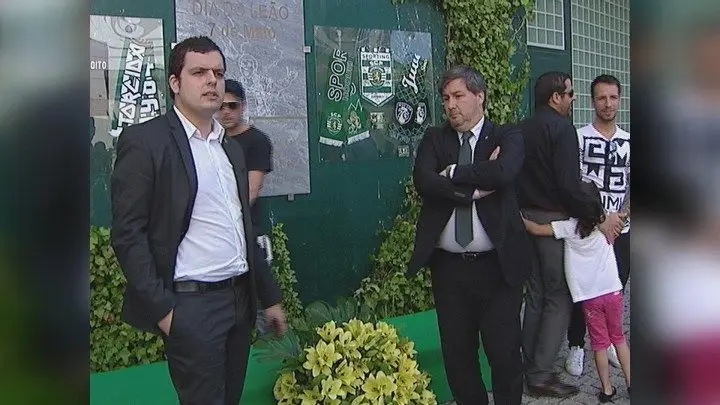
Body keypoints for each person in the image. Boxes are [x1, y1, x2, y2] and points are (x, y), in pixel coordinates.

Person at [110, 36, 286, 405]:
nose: (211, 81)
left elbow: (242, 228)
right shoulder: (146, 142)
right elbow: (128, 234)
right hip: (191, 307)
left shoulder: (230, 147)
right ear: (175, 83)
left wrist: (268, 297)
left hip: (239, 301)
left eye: (218, 73)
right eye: (199, 72)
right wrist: (165, 312)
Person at [407, 64, 531, 405]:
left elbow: (503, 172)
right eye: (446, 98)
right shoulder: (435, 139)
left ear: (480, 96)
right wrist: (474, 190)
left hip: (497, 268)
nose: (451, 105)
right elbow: (423, 180)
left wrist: (453, 172)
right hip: (449, 269)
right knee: (458, 355)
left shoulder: (506, 136)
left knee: (504, 354)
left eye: (458, 96)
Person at [516, 71, 624, 397]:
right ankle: (540, 375)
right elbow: (568, 185)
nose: (573, 99)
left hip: (527, 219)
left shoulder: (522, 128)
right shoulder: (562, 129)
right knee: (559, 297)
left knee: (535, 294)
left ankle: (528, 365)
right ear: (556, 97)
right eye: (570, 93)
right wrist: (598, 216)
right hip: (552, 223)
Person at [522, 180, 631, 402]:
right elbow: (622, 218)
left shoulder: (569, 227)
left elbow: (535, 229)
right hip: (613, 293)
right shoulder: (606, 226)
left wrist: (519, 216)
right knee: (618, 338)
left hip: (589, 297)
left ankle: (606, 389)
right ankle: (632, 384)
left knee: (599, 344)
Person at [565, 74, 630, 376]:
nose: (607, 103)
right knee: (584, 291)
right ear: (592, 101)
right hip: (587, 231)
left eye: (613, 97)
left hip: (621, 230)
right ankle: (576, 344)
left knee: (614, 290)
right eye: (601, 98)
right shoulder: (578, 138)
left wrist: (621, 217)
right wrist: (601, 219)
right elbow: (573, 186)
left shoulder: (629, 141)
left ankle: (612, 343)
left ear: (620, 100)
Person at [218, 78, 276, 336]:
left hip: (248, 230)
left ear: (243, 106)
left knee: (259, 299)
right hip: (218, 237)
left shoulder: (257, 141)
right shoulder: (213, 140)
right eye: (221, 106)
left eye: (232, 105)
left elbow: (251, 192)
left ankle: (270, 348)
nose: (226, 111)